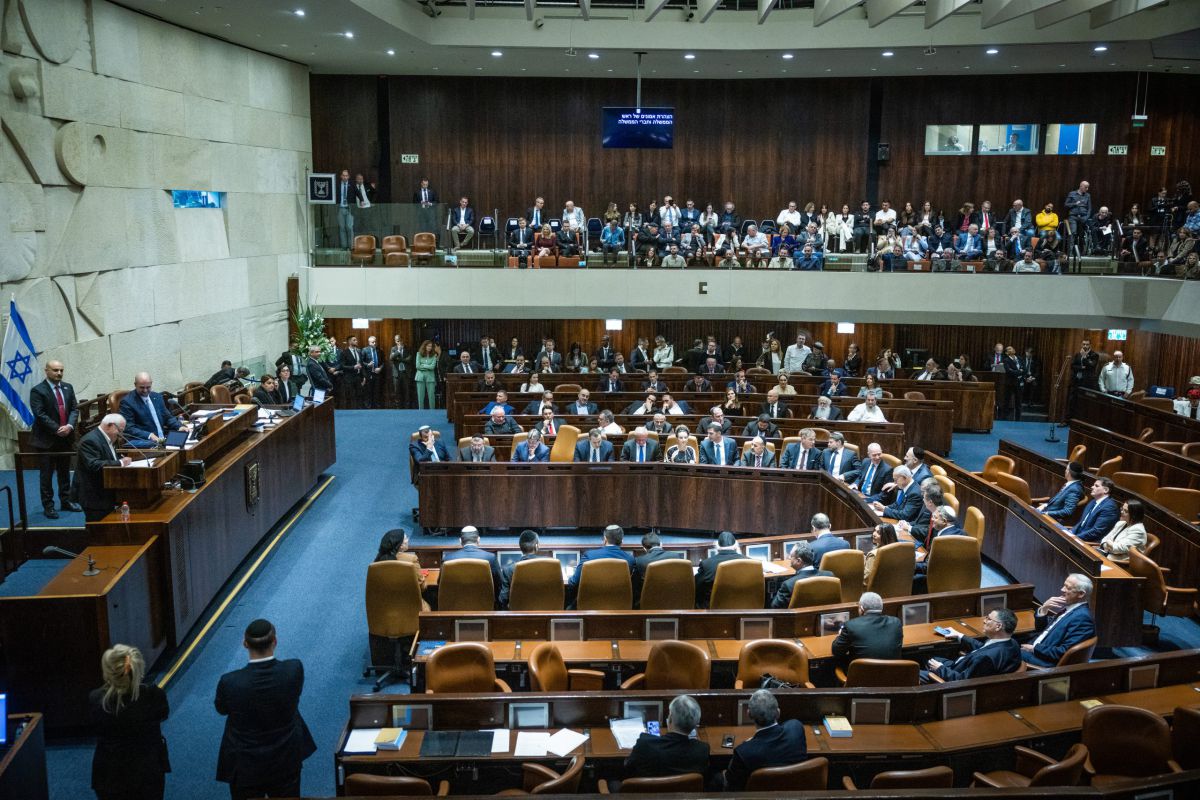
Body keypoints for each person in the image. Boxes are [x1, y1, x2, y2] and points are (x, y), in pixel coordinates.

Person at [215, 619, 317, 800]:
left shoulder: (230, 682)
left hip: (245, 763)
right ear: (275, 641)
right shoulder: (293, 669)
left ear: (245, 644)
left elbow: (221, 709)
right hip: (286, 757)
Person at [90, 644, 170, 800]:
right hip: (147, 769)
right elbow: (163, 714)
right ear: (138, 669)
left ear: (108, 672)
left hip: (109, 772)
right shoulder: (153, 695)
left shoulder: (96, 698)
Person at [721, 689, 806, 791]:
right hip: (794, 790)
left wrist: (752, 741)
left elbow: (731, 782)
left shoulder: (744, 752)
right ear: (778, 713)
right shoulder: (796, 728)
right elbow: (786, 726)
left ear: (749, 715)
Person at [29, 360, 81, 519]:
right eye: (55, 370)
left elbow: (74, 409)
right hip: (46, 440)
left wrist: (70, 426)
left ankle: (66, 501)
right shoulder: (38, 391)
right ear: (47, 371)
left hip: (65, 438)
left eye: (61, 370)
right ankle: (48, 506)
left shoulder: (68, 387)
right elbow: (40, 414)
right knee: (46, 475)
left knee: (64, 472)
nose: (59, 373)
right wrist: (58, 429)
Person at [623, 694, 709, 781]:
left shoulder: (645, 743)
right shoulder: (702, 750)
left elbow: (627, 772)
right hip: (684, 794)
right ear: (696, 722)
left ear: (670, 718)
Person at [923, 609, 1022, 683]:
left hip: (952, 676)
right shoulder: (1011, 643)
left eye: (988, 619)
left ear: (998, 626)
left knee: (914, 672)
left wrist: (940, 668)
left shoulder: (986, 658)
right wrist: (960, 636)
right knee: (928, 657)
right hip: (961, 666)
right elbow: (983, 647)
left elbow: (964, 681)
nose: (984, 621)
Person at [1021, 574, 1096, 667]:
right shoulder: (1071, 609)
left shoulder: (1082, 619)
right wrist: (1044, 609)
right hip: (1038, 645)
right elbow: (1044, 629)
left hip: (1043, 660)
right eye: (1064, 585)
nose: (1062, 589)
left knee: (1002, 652)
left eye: (1068, 588)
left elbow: (1063, 652)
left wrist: (1034, 648)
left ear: (1081, 594)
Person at [72, 414, 132, 521]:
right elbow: (94, 465)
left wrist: (119, 459)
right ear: (110, 425)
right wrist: (120, 463)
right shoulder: (90, 441)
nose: (121, 434)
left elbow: (108, 457)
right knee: (97, 530)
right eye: (120, 430)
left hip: (105, 493)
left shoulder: (107, 438)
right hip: (94, 496)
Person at [831, 592, 903, 670]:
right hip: (892, 678)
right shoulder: (896, 623)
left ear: (862, 609)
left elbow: (836, 651)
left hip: (861, 680)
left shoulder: (851, 626)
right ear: (881, 608)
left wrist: (840, 635)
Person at [119, 372, 188, 447]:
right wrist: (149, 435)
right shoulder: (127, 402)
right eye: (142, 387)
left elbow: (167, 417)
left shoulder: (157, 397)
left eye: (148, 387)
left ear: (151, 384)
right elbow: (129, 428)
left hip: (164, 440)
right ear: (135, 385)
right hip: (145, 443)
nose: (145, 390)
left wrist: (179, 426)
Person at [568, 525, 635, 602]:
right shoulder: (630, 559)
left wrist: (569, 578)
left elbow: (574, 582)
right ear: (622, 540)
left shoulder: (589, 556)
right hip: (620, 605)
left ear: (605, 539)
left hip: (590, 605)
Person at [769, 541, 834, 608]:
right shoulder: (829, 576)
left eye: (791, 556)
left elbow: (774, 606)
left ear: (798, 561)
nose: (788, 558)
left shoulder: (789, 584)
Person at [695, 531, 747, 608]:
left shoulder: (706, 564)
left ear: (717, 547)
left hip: (714, 609)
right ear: (736, 546)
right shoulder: (749, 562)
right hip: (743, 607)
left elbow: (696, 585)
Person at [442, 526, 501, 593]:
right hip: (484, 602)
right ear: (478, 540)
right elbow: (499, 583)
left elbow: (441, 584)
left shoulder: (447, 559)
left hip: (455, 602)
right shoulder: (491, 558)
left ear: (460, 541)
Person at [633, 531, 687, 603]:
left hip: (649, 603)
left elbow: (635, 585)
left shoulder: (639, 561)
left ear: (644, 548)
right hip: (673, 602)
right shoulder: (676, 556)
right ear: (661, 544)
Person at [499, 530, 542, 608]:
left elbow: (503, 599)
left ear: (520, 547)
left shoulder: (508, 570)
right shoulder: (550, 564)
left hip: (518, 615)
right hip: (545, 612)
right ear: (536, 546)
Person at [1070, 477, 1120, 543]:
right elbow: (1082, 522)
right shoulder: (1093, 501)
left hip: (1090, 542)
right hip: (1079, 537)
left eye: (1096, 486)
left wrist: (1076, 537)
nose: (1092, 487)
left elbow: (1097, 531)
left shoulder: (1110, 507)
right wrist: (1070, 532)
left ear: (1106, 490)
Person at [1068, 339, 1100, 418]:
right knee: (1072, 400)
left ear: (1090, 345)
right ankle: (1068, 420)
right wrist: (1082, 367)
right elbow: (1072, 366)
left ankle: (1081, 420)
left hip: (1087, 382)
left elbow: (1092, 366)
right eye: (1084, 344)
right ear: (1081, 345)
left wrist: (1085, 357)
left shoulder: (1094, 355)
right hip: (1076, 381)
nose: (1085, 346)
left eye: (1087, 344)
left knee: (1084, 402)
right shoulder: (1077, 354)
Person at [414, 341, 439, 409]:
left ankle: (432, 412)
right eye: (428, 346)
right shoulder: (418, 354)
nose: (429, 348)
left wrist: (423, 365)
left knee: (431, 396)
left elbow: (432, 367)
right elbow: (417, 366)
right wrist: (428, 366)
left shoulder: (434, 355)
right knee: (420, 396)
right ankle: (421, 412)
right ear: (424, 346)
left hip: (430, 378)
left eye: (431, 346)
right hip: (420, 377)